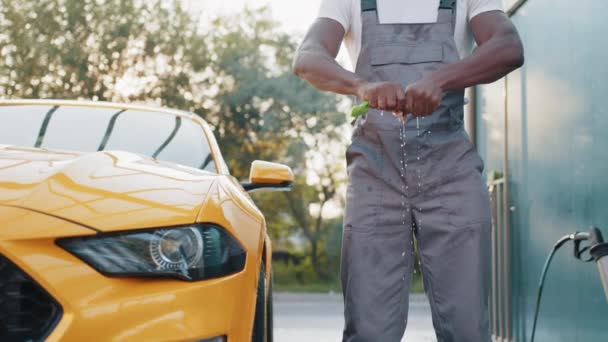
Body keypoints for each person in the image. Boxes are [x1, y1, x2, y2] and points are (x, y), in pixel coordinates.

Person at [293, 0, 524, 341]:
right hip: (375, 172)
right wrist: (363, 86)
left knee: (466, 328)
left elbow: (509, 46)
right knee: (370, 331)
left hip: (451, 170)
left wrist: (441, 81)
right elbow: (308, 57)